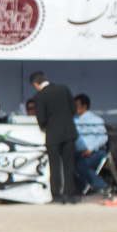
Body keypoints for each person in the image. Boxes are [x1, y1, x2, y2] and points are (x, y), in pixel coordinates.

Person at [30, 71, 77, 203]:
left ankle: (56, 195)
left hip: (53, 134)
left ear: (36, 84)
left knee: (55, 166)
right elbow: (73, 110)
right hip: (68, 132)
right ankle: (70, 195)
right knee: (69, 165)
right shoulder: (64, 89)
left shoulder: (39, 96)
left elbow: (42, 119)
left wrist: (45, 126)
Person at [72, 95, 110, 197]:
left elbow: (103, 138)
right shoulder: (73, 120)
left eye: (76, 105)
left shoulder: (95, 120)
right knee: (67, 165)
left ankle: (102, 186)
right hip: (77, 152)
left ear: (84, 106)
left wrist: (90, 149)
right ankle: (81, 188)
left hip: (94, 152)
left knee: (81, 166)